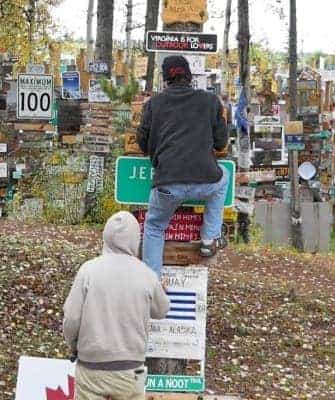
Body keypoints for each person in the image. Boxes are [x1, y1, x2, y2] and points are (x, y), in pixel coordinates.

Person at [137, 55, 229, 278]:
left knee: (154, 227)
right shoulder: (210, 101)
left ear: (165, 78)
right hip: (206, 180)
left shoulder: (153, 104)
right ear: (189, 76)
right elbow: (221, 143)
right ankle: (209, 237)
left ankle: (151, 284)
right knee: (224, 176)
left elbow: (142, 143)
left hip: (167, 183)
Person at [63, 211, 169, 400]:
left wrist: (74, 345)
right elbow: (161, 310)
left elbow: (71, 318)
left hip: (91, 368)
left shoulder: (88, 270)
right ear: (136, 240)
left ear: (106, 236)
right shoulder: (147, 275)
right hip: (131, 370)